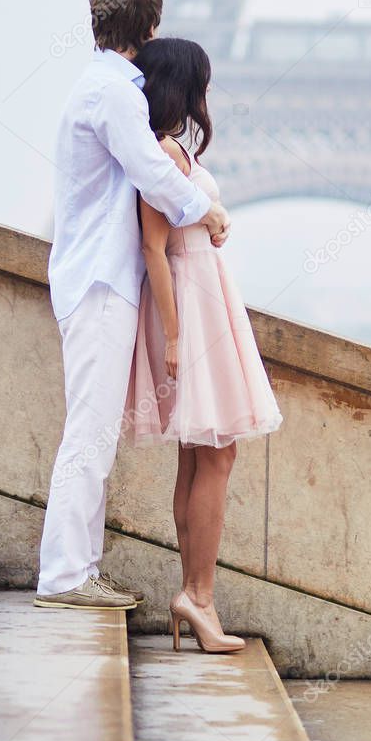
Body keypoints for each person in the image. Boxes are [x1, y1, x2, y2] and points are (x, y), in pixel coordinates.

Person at [35, 0, 230, 611]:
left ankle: (80, 568)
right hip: (99, 282)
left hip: (96, 278)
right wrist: (208, 210)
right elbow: (151, 172)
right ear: (148, 27)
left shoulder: (99, 87)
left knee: (94, 434)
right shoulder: (115, 94)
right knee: (89, 433)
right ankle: (65, 576)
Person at [124, 37, 282, 653]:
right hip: (193, 310)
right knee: (216, 457)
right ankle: (199, 596)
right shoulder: (163, 153)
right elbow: (152, 249)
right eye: (201, 84)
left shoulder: (166, 151)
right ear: (183, 87)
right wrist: (176, 336)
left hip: (203, 302)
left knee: (200, 456)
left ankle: (194, 593)